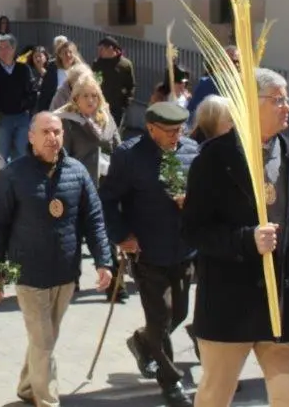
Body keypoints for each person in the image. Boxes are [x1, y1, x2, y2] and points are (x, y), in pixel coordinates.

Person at [182, 68, 289, 407]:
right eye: (278, 99)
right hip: (230, 303)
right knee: (215, 397)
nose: (287, 106)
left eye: (287, 98)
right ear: (250, 104)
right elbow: (193, 230)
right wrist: (246, 240)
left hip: (283, 304)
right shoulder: (215, 159)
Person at [0, 112, 113, 407]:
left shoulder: (77, 172)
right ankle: (47, 400)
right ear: (31, 137)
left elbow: (94, 219)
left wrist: (104, 262)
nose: (52, 137)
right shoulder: (13, 174)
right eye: (45, 132)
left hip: (65, 273)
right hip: (27, 273)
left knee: (46, 340)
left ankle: (28, 386)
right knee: (43, 342)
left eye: (57, 132)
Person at [99, 102, 198, 407]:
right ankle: (170, 383)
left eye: (179, 130)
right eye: (169, 131)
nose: (175, 136)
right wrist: (121, 236)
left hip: (183, 248)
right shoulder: (129, 155)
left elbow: (206, 194)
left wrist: (191, 204)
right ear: (151, 128)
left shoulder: (192, 151)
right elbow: (108, 199)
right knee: (160, 318)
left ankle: (142, 341)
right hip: (147, 250)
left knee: (177, 313)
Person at [56, 75, 121, 183]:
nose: (90, 100)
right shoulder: (67, 120)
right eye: (85, 96)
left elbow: (118, 146)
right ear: (76, 98)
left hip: (108, 179)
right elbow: (63, 157)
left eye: (94, 95)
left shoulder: (105, 117)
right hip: (80, 180)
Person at [0, 34, 36, 162]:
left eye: (6, 47)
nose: (3, 51)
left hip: (21, 117)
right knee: (0, 154)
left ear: (13, 49)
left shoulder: (23, 69)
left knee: (22, 153)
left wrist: (25, 105)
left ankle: (19, 181)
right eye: (0, 48)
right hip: (1, 118)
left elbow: (33, 91)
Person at [92, 37, 136, 129]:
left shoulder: (125, 65)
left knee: (114, 131)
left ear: (111, 48)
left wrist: (126, 102)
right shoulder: (97, 63)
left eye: (102, 49)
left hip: (117, 107)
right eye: (98, 49)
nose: (99, 52)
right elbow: (93, 82)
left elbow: (131, 85)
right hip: (100, 105)